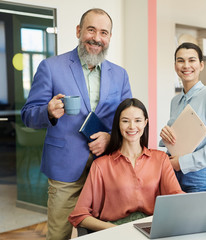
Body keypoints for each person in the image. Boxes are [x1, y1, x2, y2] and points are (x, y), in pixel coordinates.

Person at [21, 8, 132, 240]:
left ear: (109, 37)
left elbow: (127, 120)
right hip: (64, 171)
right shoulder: (50, 68)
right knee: (59, 234)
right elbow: (28, 115)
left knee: (103, 235)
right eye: (91, 30)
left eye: (104, 32)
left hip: (107, 170)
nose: (97, 38)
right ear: (79, 31)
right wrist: (48, 111)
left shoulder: (120, 75)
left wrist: (111, 138)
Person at [68, 98, 184, 231]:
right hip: (116, 231)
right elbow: (79, 215)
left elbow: (176, 197)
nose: (132, 126)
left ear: (145, 123)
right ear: (118, 124)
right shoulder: (101, 165)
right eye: (125, 121)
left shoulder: (161, 159)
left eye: (138, 120)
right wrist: (114, 230)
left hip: (152, 228)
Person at [160, 42, 206, 192]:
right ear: (175, 65)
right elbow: (178, 139)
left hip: (201, 174)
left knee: (198, 216)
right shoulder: (175, 101)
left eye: (192, 60)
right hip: (174, 172)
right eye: (180, 60)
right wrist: (164, 136)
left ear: (201, 65)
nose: (186, 65)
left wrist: (183, 163)